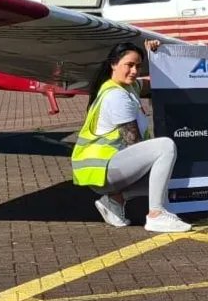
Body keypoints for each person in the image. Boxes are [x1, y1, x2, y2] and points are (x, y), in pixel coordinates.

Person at [71, 40, 192, 233]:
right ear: (113, 64)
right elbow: (132, 144)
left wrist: (155, 55)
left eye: (138, 66)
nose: (135, 71)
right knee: (165, 147)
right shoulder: (117, 97)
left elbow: (153, 82)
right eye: (129, 65)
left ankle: (115, 200)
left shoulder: (128, 87)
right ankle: (156, 215)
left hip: (107, 170)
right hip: (104, 171)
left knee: (168, 176)